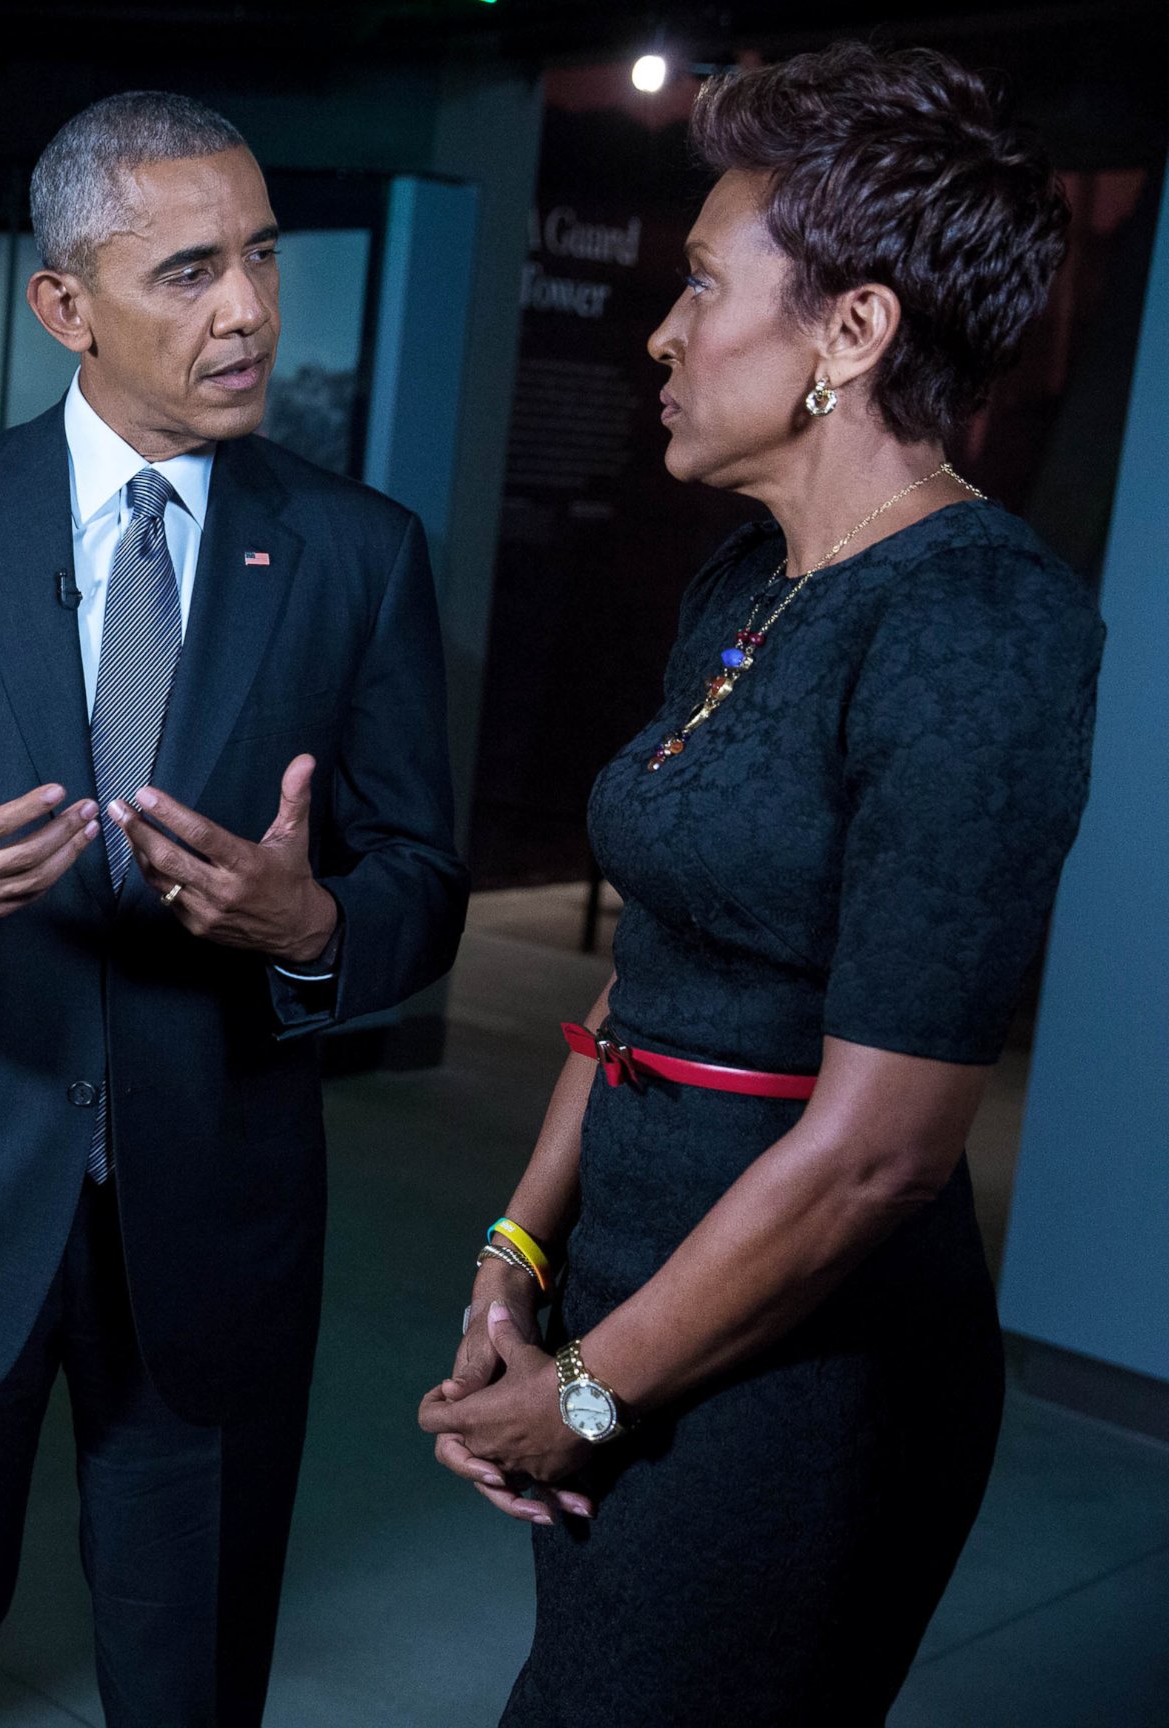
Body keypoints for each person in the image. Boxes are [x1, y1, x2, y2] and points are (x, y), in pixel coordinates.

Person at [0, 92, 466, 1726]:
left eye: (261, 259)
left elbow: (423, 882)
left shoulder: (357, 555)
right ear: (63, 302)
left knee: (188, 1685)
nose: (250, 310)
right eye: (191, 271)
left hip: (215, 1235)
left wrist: (316, 929)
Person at [415, 44, 1100, 1727]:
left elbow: (877, 1151)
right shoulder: (746, 579)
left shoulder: (973, 625)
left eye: (701, 286)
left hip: (798, 1375)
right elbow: (646, 970)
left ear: (849, 336)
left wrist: (588, 1389)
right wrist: (521, 1242)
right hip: (625, 1295)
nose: (659, 330)